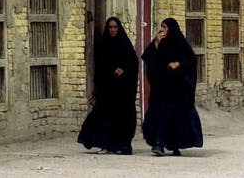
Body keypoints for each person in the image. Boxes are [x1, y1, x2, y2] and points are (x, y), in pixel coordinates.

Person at [142, 18, 203, 157]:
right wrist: (156, 43)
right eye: (161, 27)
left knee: (176, 117)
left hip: (177, 89)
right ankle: (158, 144)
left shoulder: (181, 43)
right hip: (161, 87)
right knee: (159, 114)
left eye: (165, 27)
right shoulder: (159, 43)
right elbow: (149, 59)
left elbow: (191, 60)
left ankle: (175, 145)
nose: (162, 30)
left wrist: (178, 63)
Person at [78, 16, 139, 155]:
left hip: (122, 89)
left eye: (115, 27)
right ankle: (106, 144)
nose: (112, 30)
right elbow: (99, 67)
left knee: (123, 116)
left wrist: (123, 69)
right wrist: (97, 88)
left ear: (119, 29)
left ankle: (122, 145)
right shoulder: (103, 45)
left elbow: (133, 63)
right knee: (106, 115)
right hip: (107, 87)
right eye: (110, 27)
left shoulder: (125, 44)